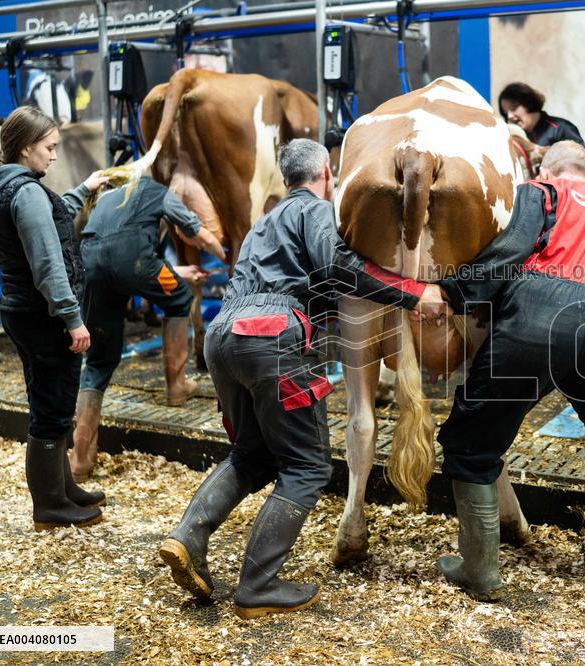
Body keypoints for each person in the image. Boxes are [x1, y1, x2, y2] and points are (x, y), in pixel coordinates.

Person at [159, 138, 449, 619]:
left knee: (252, 454)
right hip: (271, 336)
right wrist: (413, 293)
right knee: (308, 466)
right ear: (326, 175)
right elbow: (340, 268)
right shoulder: (314, 212)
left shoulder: (263, 223)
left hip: (222, 335)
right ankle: (257, 584)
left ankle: (187, 537)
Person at [431, 141, 585, 601]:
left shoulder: (541, 192)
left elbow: (512, 248)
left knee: (471, 441)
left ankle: (480, 571)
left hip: (538, 315)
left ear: (548, 168)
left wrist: (451, 292)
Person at [0, 105, 109, 531]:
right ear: (26, 147)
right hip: (44, 315)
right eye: (49, 147)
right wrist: (72, 318)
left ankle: (63, 487)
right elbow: (48, 262)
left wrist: (84, 189)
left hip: (21, 310)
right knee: (52, 408)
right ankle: (50, 505)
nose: (54, 155)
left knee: (46, 401)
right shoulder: (27, 192)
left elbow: (49, 220)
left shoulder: (5, 184)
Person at [69, 175, 226, 482]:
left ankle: (80, 461)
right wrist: (229, 259)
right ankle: (176, 386)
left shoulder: (105, 199)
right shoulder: (157, 191)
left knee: (99, 361)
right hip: (138, 265)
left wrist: (176, 271)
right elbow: (200, 237)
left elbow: (119, 255)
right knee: (180, 298)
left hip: (93, 267)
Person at [497, 82, 585, 147]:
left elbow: (581, 163)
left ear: (528, 103)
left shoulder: (560, 129)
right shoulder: (514, 137)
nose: (510, 116)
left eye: (513, 108)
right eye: (506, 113)